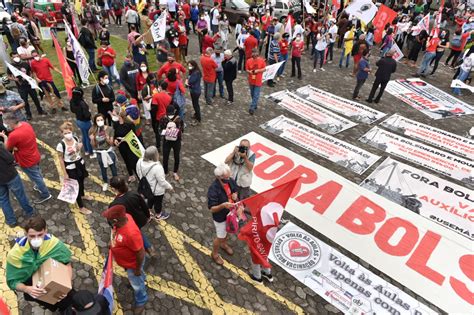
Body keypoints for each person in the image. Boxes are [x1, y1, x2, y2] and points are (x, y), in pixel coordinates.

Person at [6, 217, 74, 311]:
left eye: (40, 235)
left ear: (45, 231)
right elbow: (13, 282)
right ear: (26, 234)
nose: (36, 239)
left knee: (69, 301)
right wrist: (27, 289)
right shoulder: (15, 255)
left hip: (54, 279)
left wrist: (66, 286)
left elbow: (67, 264)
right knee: (50, 304)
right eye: (32, 236)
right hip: (32, 286)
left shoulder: (54, 244)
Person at [101, 205, 147, 314]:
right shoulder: (126, 216)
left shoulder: (131, 234)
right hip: (126, 262)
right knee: (138, 278)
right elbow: (116, 231)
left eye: (110, 220)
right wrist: (112, 243)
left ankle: (141, 301)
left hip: (132, 265)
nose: (108, 221)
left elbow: (140, 253)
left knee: (137, 285)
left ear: (115, 220)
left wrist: (137, 269)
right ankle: (142, 278)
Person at [2, 113, 51, 204]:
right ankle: (39, 186)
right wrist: (16, 147)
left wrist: (5, 137)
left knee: (36, 177)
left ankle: (45, 194)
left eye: (5, 123)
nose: (5, 125)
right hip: (35, 155)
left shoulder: (13, 135)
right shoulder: (26, 124)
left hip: (26, 160)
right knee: (37, 173)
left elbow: (7, 148)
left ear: (10, 122)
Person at [108, 177, 153, 253]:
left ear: (113, 188)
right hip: (140, 219)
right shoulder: (134, 194)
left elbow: (111, 220)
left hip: (129, 225)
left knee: (137, 235)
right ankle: (150, 249)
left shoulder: (114, 204)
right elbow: (144, 206)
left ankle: (145, 249)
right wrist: (148, 216)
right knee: (138, 231)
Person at [57, 121, 92, 215]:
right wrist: (65, 173)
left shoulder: (75, 138)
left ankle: (83, 195)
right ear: (62, 134)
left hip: (79, 163)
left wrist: (80, 147)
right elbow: (60, 159)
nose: (68, 134)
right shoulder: (61, 145)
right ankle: (81, 207)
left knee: (82, 180)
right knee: (75, 186)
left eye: (69, 132)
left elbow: (78, 149)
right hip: (71, 167)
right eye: (65, 133)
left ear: (72, 131)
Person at [207, 163, 238, 265]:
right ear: (219, 177)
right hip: (220, 217)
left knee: (227, 230)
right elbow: (212, 209)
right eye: (226, 177)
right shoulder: (213, 189)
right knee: (219, 237)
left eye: (229, 176)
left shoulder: (229, 180)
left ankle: (224, 244)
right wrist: (223, 205)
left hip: (230, 214)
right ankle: (215, 254)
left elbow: (235, 189)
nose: (229, 179)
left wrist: (235, 195)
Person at [0, 142, 35, 227]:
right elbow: (10, 158)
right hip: (10, 175)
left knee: (3, 200)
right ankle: (30, 212)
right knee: (20, 195)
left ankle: (11, 221)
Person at [136, 146, 173, 220]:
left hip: (146, 188)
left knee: (150, 199)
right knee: (158, 203)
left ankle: (148, 212)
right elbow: (162, 181)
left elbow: (138, 172)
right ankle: (158, 215)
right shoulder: (157, 167)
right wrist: (170, 187)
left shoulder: (139, 161)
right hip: (157, 191)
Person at [7, 52, 47, 119]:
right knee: (24, 101)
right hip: (21, 86)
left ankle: (40, 110)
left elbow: (30, 72)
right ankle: (28, 114)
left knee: (35, 98)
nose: (16, 58)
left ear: (19, 56)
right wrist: (14, 79)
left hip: (29, 85)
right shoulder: (11, 67)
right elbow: (8, 76)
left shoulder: (25, 64)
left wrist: (30, 79)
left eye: (17, 56)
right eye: (14, 57)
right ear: (11, 58)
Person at [89, 114, 117, 191]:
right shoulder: (92, 130)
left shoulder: (110, 129)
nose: (100, 121)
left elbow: (111, 143)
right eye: (98, 120)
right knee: (103, 169)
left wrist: (107, 138)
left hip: (109, 152)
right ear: (95, 121)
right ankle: (105, 182)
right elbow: (94, 146)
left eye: (101, 120)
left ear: (104, 120)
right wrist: (92, 139)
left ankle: (116, 183)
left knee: (113, 168)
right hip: (100, 153)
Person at [113, 110, 139, 183]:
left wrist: (125, 139)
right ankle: (131, 175)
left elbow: (134, 136)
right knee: (126, 160)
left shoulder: (130, 124)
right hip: (121, 146)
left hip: (129, 146)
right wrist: (115, 140)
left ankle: (139, 176)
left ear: (120, 116)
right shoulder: (116, 124)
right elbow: (114, 135)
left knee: (133, 161)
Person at [161, 105, 184, 181]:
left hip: (166, 141)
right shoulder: (179, 119)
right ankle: (175, 172)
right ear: (174, 111)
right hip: (176, 141)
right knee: (176, 156)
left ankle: (165, 172)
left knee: (165, 157)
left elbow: (160, 130)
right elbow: (182, 130)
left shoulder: (163, 118)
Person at [70, 87, 94, 158]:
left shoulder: (72, 101)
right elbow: (87, 115)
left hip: (78, 121)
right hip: (85, 122)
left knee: (84, 136)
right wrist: (89, 112)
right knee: (88, 137)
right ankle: (91, 153)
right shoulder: (82, 103)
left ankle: (86, 151)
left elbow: (73, 110)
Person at [151, 81, 172, 150]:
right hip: (165, 117)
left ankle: (158, 146)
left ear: (160, 87)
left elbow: (154, 108)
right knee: (165, 130)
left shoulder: (155, 96)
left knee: (157, 132)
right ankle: (167, 144)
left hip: (158, 117)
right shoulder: (169, 97)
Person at [246, 49, 266, 115]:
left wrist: (258, 70)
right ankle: (255, 104)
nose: (254, 54)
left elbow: (264, 69)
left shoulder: (261, 60)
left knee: (256, 94)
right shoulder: (248, 61)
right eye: (253, 53)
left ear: (258, 53)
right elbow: (247, 69)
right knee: (252, 93)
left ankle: (252, 108)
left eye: (255, 53)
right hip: (251, 80)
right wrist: (250, 72)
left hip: (258, 80)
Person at [186, 60, 202, 125]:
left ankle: (198, 119)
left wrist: (187, 81)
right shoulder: (194, 71)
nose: (189, 67)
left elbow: (190, 81)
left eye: (190, 65)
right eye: (188, 65)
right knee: (195, 103)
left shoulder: (195, 73)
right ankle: (196, 114)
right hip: (194, 90)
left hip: (195, 91)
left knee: (196, 105)